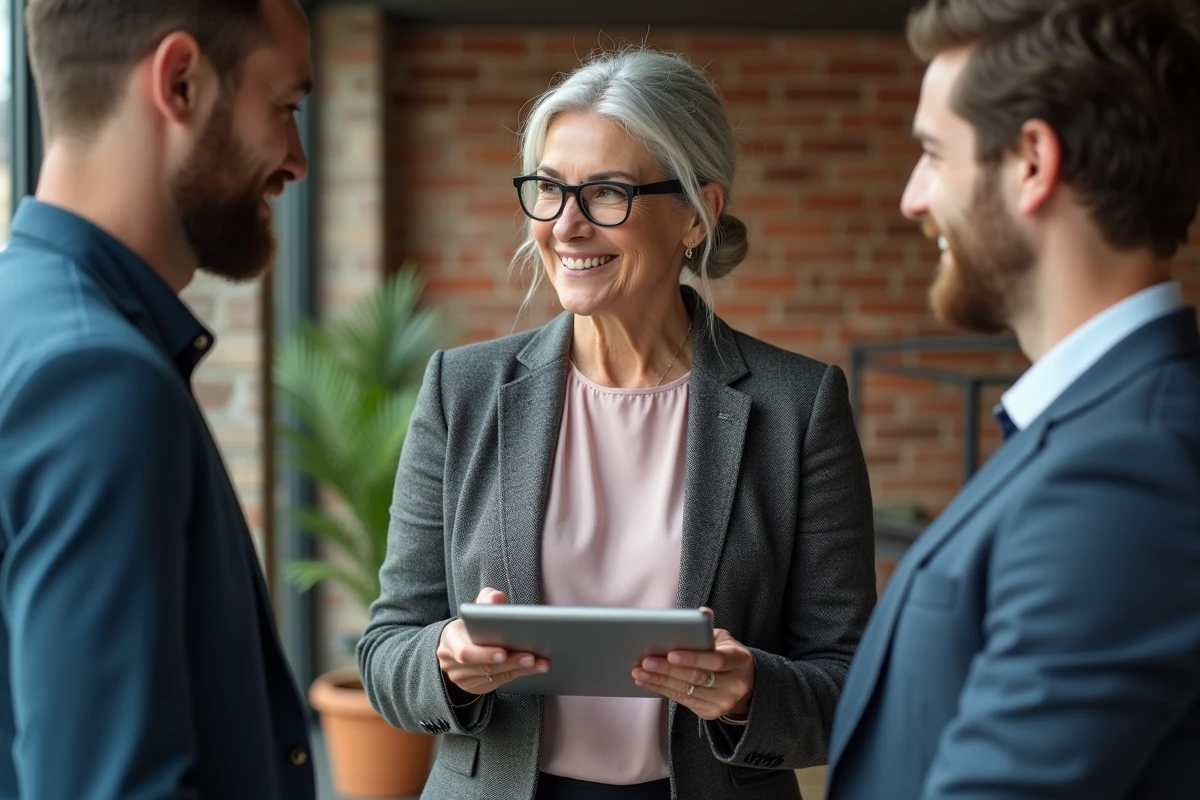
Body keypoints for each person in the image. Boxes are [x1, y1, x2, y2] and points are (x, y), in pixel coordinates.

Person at [358, 48, 876, 800]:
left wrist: (748, 691)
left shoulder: (799, 408)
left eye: (605, 193)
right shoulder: (462, 391)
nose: (566, 225)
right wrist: (445, 658)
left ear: (697, 215)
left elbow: (850, 680)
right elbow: (382, 651)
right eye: (549, 189)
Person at [825, 1, 1200, 798]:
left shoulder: (1130, 468)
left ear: (1032, 161)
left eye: (933, 153)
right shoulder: (1094, 426)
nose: (912, 198)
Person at [0, 1, 315, 798]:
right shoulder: (97, 378)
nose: (296, 159)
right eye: (285, 107)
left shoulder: (24, 323)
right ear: (181, 81)